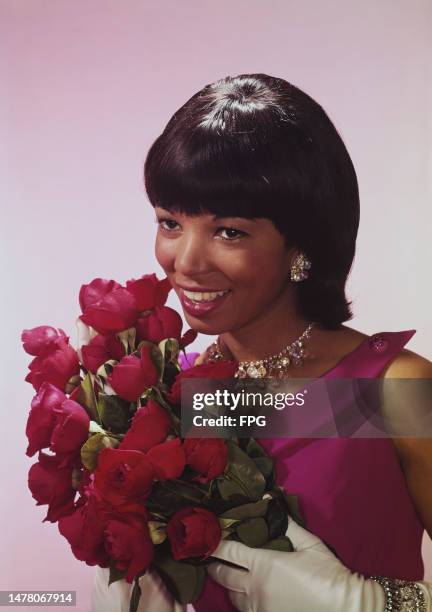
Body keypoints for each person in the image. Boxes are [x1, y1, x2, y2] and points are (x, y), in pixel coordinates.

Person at [92, 73, 432, 611]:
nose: (186, 262)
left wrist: (372, 604)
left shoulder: (397, 389)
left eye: (229, 231)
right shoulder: (180, 395)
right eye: (170, 222)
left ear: (303, 241)